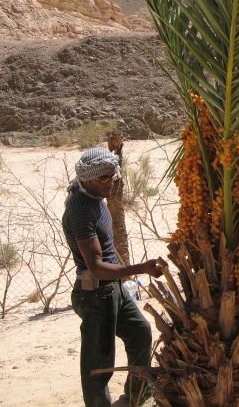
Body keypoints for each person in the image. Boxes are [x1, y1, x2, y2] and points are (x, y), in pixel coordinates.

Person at [62, 147, 164, 407]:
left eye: (113, 176)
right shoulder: (80, 210)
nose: (111, 182)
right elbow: (96, 266)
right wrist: (141, 268)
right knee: (99, 363)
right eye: (104, 178)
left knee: (140, 332)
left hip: (113, 289)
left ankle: (137, 396)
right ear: (87, 179)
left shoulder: (96, 197)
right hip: (95, 295)